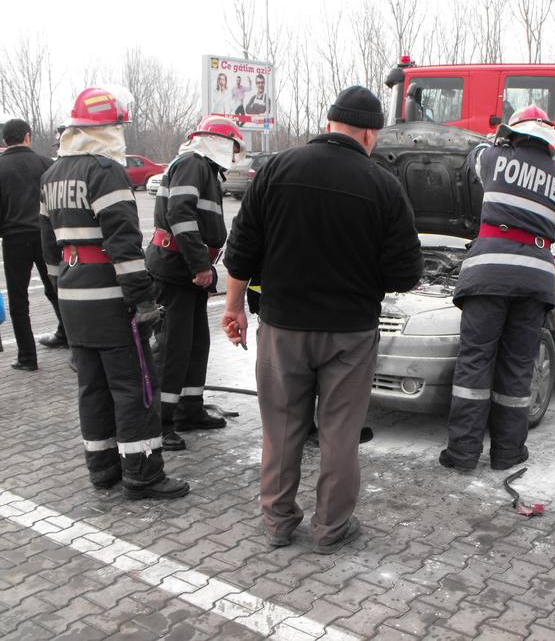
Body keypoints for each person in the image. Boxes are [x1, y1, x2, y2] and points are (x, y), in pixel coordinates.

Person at [221, 85, 423, 553]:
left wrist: (233, 307)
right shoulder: (384, 187)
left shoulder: (277, 169)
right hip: (350, 334)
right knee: (339, 434)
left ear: (329, 123)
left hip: (283, 328)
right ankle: (331, 529)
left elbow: (242, 249)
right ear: (370, 135)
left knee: (282, 427)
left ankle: (277, 522)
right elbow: (406, 274)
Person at [40, 87, 188, 499]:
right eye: (119, 127)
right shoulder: (104, 171)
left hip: (73, 297)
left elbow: (48, 246)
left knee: (92, 386)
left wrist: (60, 291)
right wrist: (143, 300)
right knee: (135, 385)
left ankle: (103, 469)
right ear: (105, 129)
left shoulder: (52, 174)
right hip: (110, 299)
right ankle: (142, 474)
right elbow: (123, 245)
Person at [439, 105, 555, 472]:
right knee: (517, 368)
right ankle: (508, 453)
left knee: (476, 363)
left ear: (516, 134)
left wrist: (499, 136)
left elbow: (473, 154)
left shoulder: (495, 158)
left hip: (490, 275)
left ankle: (463, 454)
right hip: (536, 280)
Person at [146, 115, 244, 452]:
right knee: (173, 347)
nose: (233, 156)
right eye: (232, 147)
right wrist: (200, 265)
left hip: (184, 272)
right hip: (177, 271)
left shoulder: (203, 169)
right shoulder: (192, 164)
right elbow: (180, 215)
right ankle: (160, 422)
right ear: (217, 142)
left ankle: (188, 409)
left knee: (194, 343)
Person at [0, 119, 66, 370]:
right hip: (45, 235)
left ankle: (27, 357)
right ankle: (71, 338)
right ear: (27, 136)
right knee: (56, 287)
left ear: (6, 140)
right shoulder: (45, 164)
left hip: (14, 239)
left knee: (19, 300)